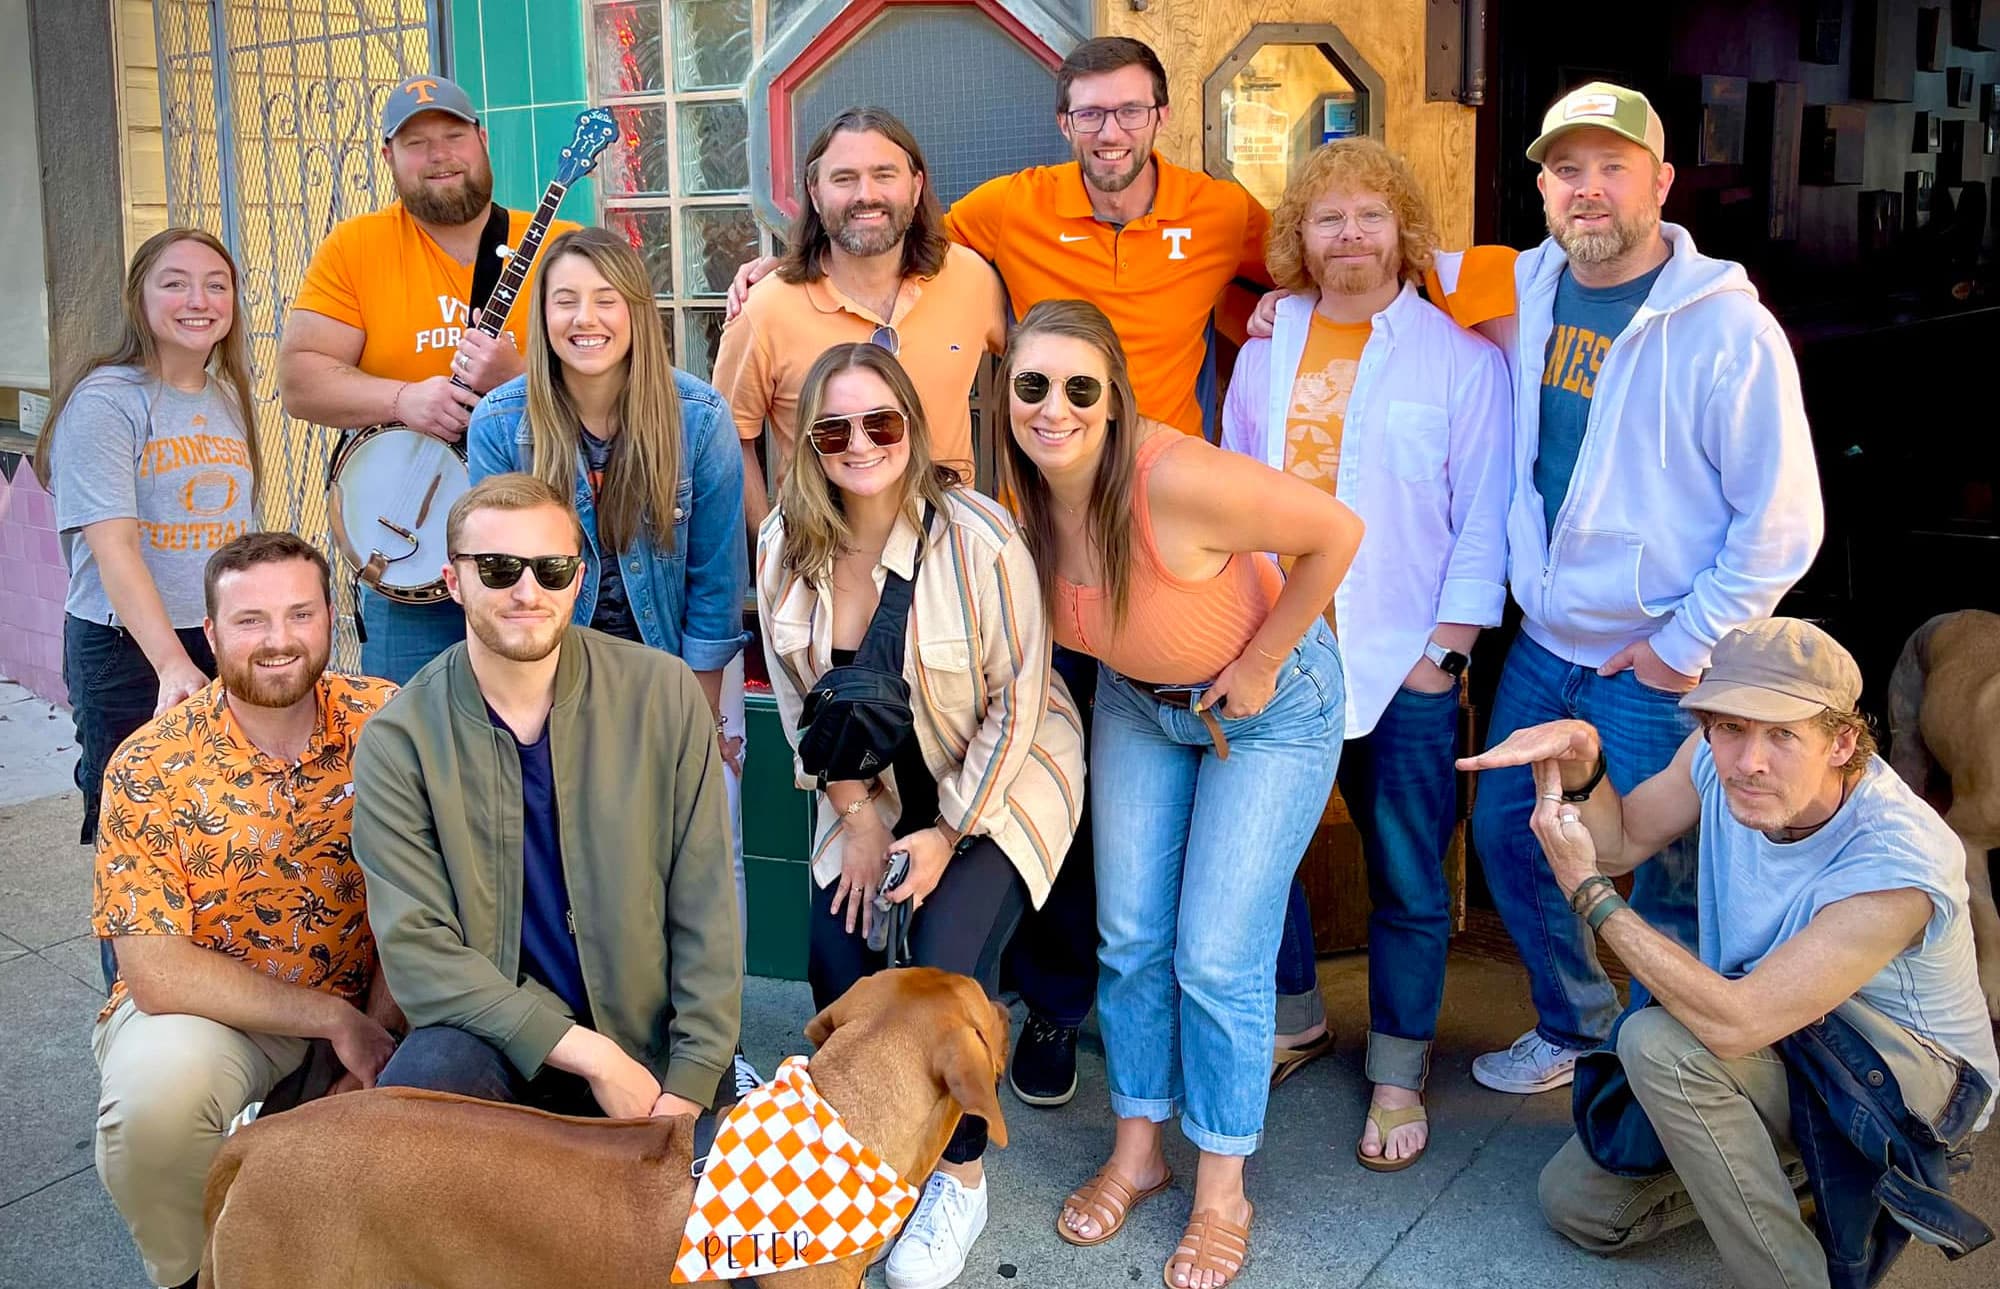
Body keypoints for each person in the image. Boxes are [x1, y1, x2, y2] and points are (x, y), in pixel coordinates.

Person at [1466, 81, 1824, 1096]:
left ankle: (1658, 1081)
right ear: (1540, 187)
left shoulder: (1724, 330)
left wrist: (1683, 644)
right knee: (1509, 833)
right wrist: (1270, 299)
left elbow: (1783, 523)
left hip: (1661, 658)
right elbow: (1365, 259)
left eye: (1609, 167)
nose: (1585, 190)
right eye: (1564, 170)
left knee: (1670, 876)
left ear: (1659, 182)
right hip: (1544, 644)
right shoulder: (1520, 286)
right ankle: (1576, 1030)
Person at [1461, 618, 1997, 1287]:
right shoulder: (1714, 761)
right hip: (1790, 1035)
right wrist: (1584, 767)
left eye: (1781, 733)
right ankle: (1805, 1166)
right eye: (1731, 727)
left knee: (1658, 1040)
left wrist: (1590, 893)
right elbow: (1623, 838)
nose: (1750, 760)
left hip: (1913, 1087)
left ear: (1842, 740)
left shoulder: (1898, 855)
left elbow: (1735, 1021)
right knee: (1578, 1205)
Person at [1000, 300, 1359, 1289]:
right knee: (1127, 936)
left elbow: (1333, 530)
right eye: (1031, 385)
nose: (1053, 408)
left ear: (1113, 400)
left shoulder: (1172, 478)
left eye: (1080, 388)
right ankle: (1136, 1149)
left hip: (1267, 706)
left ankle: (1220, 1187)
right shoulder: (1021, 492)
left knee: (1215, 953)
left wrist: (1261, 659)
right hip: (1135, 701)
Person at [757, 342, 1084, 1289]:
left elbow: (1019, 701)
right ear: (810, 442)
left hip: (1001, 774)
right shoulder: (787, 542)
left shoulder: (978, 536)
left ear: (912, 425)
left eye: (881, 423)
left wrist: (946, 834)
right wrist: (856, 816)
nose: (860, 443)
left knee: (944, 962)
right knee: (837, 952)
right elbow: (794, 702)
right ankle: (862, 1153)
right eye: (835, 428)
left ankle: (960, 1175)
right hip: (872, 788)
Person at [1221, 138, 1510, 1171]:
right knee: (1264, 855)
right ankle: (1294, 1016)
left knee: (1406, 874)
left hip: (1403, 658)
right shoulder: (1263, 349)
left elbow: (1483, 515)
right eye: (1327, 217)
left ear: (1403, 232)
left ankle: (1396, 1063)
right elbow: (1234, 503)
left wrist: (1450, 647)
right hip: (1282, 646)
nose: (1349, 236)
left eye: (1369, 216)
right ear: (1298, 236)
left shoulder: (1460, 358)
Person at [464, 228, 756, 1097]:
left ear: (638, 310)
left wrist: (699, 714)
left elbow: (713, 583)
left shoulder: (697, 417)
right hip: (552, 674)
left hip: (679, 667)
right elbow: (495, 564)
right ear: (542, 318)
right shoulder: (502, 422)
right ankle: (590, 1035)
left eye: (606, 299)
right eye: (565, 301)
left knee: (706, 854)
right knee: (575, 854)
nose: (586, 318)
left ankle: (710, 1044)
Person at [352, 473, 741, 1121]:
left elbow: (705, 906)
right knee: (421, 1086)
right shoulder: (400, 737)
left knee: (709, 1211)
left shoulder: (662, 693)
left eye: (551, 568)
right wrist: (591, 1056)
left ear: (578, 579)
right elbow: (419, 954)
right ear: (454, 581)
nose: (527, 591)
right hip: (503, 1040)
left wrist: (693, 1076)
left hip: (648, 1037)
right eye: (499, 568)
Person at [90, 532, 400, 1289]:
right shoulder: (149, 764)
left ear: (332, 617)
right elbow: (158, 973)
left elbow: (432, 889)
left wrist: (382, 1021)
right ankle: (198, 1273)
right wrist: (333, 1019)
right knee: (151, 1115)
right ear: (211, 632)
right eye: (251, 620)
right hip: (215, 1007)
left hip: (379, 992)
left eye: (299, 613)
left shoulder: (388, 720)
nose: (279, 641)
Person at [278, 74, 577, 683]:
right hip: (408, 548)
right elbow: (300, 381)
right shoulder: (355, 248)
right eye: (416, 143)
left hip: (537, 551)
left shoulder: (561, 246)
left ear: (482, 140)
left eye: (452, 135)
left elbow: (625, 389)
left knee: (546, 721)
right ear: (388, 157)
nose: (438, 154)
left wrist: (517, 377)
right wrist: (402, 398)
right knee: (412, 723)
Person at [36, 228, 260, 852]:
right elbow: (114, 549)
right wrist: (172, 665)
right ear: (140, 298)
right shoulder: (106, 402)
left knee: (219, 830)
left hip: (216, 638)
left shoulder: (225, 396)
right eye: (176, 283)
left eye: (217, 285)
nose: (200, 299)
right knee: (140, 843)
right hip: (129, 650)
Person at [712, 106, 1006, 534]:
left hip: (948, 556)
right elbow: (728, 439)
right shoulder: (764, 309)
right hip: (824, 562)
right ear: (814, 193)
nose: (865, 195)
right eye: (844, 178)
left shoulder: (970, 279)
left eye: (884, 174)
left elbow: (1034, 375)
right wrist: (768, 545)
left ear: (916, 185)